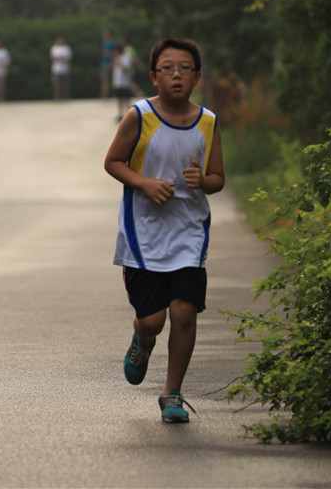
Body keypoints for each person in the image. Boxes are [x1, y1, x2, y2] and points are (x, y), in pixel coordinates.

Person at [104, 37, 225, 423]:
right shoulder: (138, 116)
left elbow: (219, 178)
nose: (177, 74)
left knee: (185, 312)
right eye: (168, 68)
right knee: (154, 320)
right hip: (144, 235)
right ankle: (142, 339)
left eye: (185, 68)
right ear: (154, 76)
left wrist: (202, 181)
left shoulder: (208, 121)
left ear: (197, 77)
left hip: (189, 232)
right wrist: (144, 183)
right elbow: (113, 161)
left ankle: (172, 393)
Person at [111, 44, 133, 123]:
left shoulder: (126, 58)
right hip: (118, 82)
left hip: (124, 82)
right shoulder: (116, 59)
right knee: (119, 99)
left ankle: (130, 114)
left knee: (126, 98)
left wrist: (119, 63)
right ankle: (120, 114)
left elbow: (126, 68)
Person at [100, 29, 116, 98]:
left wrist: (107, 53)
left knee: (114, 79)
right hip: (104, 63)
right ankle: (104, 93)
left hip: (112, 63)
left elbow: (115, 53)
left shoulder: (113, 43)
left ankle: (115, 93)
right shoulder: (103, 43)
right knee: (104, 79)